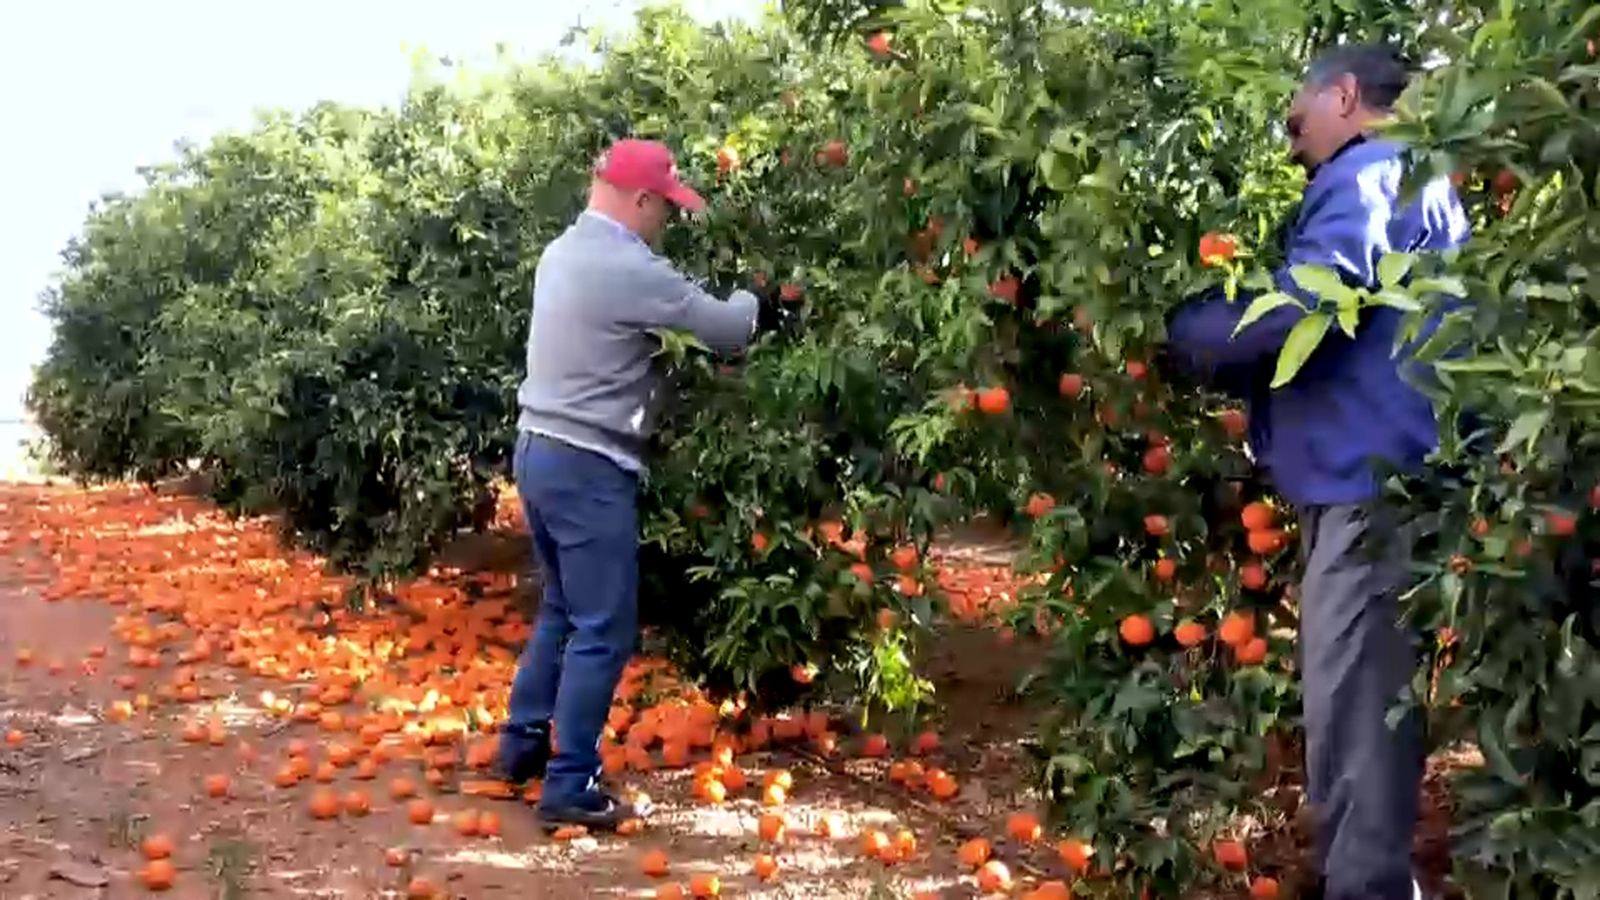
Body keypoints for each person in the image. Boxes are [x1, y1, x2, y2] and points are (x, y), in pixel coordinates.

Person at [1165, 45, 1469, 900]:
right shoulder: (1414, 180)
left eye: (1299, 104)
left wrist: (1200, 334)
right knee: (1358, 718)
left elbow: (1316, 302)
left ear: (1343, 94)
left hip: (1372, 492)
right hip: (1385, 485)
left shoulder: (1369, 173)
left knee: (1356, 726)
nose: (1289, 127)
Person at [499, 138, 762, 831]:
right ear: (641, 200)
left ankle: (522, 745)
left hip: (539, 450)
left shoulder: (562, 252)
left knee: (562, 608)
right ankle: (569, 784)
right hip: (588, 466)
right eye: (665, 209)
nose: (666, 223)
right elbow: (729, 328)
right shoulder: (625, 265)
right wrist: (756, 291)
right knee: (604, 630)